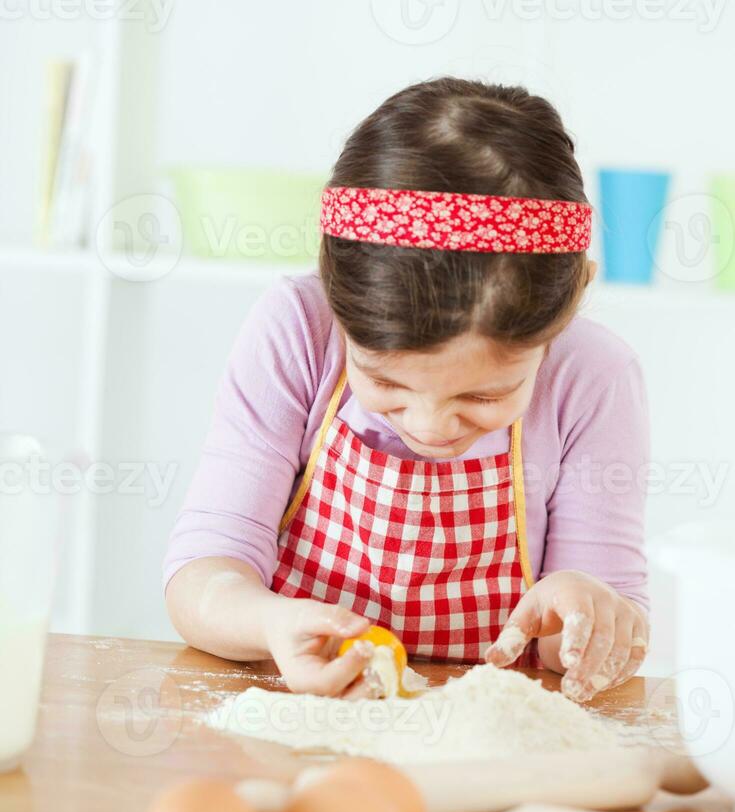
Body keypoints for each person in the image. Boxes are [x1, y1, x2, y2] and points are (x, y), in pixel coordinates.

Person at [164, 77, 649, 703]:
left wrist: (582, 611)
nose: (427, 425)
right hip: (294, 710)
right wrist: (269, 621)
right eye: (386, 383)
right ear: (336, 295)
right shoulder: (298, 331)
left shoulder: (594, 378)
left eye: (482, 397)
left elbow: (594, 645)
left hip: (488, 739)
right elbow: (202, 574)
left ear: (569, 303)